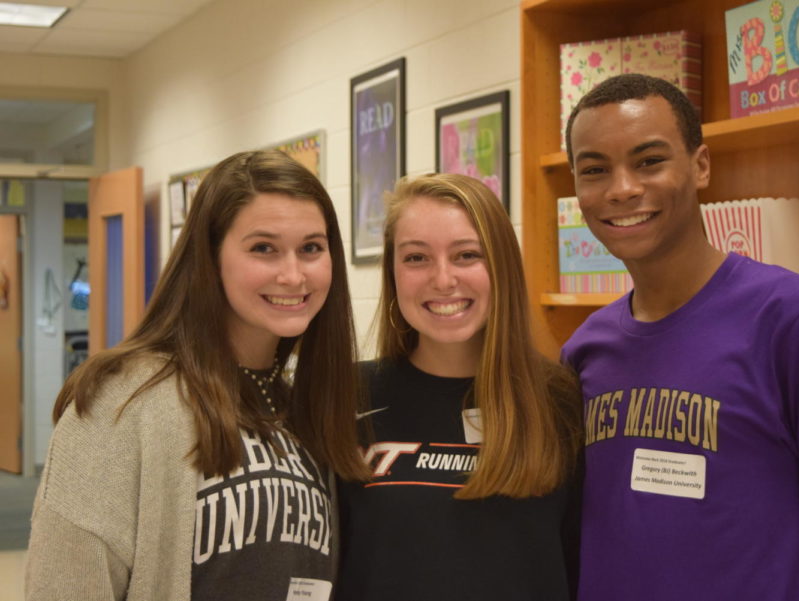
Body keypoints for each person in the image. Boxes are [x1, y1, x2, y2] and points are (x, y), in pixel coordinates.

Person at [562, 73, 799, 601]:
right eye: (594, 170)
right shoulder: (584, 349)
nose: (622, 189)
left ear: (701, 165)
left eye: (649, 161)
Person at [25, 150, 368, 601]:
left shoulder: (302, 409)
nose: (293, 274)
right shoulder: (124, 400)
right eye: (263, 248)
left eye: (311, 249)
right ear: (210, 257)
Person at [335, 173, 583, 600]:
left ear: (501, 266)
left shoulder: (559, 399)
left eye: (467, 255)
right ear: (392, 273)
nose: (443, 279)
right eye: (416, 258)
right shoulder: (346, 395)